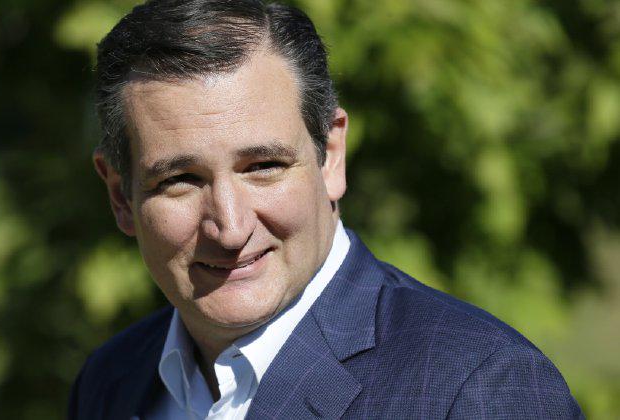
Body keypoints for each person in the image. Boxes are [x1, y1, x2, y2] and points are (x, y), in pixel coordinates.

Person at [69, 0, 583, 418]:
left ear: (331, 156)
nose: (230, 227)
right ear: (121, 196)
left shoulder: (480, 388)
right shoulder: (109, 382)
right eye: (181, 180)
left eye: (263, 166)